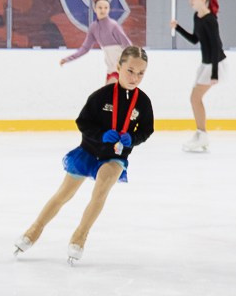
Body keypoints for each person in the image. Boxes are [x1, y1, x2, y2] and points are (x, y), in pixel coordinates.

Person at [15, 45, 155, 266]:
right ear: (118, 66)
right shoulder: (101, 96)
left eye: (141, 73)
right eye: (130, 71)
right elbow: (83, 122)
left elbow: (147, 130)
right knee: (63, 194)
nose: (135, 77)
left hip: (115, 157)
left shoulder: (143, 102)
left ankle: (80, 236)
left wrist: (133, 138)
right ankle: (34, 230)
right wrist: (101, 135)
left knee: (100, 193)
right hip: (89, 151)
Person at [172, 0, 225, 152]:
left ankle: (202, 134)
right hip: (206, 64)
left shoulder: (211, 20)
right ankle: (201, 133)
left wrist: (214, 74)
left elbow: (216, 47)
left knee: (195, 98)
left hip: (215, 64)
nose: (190, 1)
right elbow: (195, 39)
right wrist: (178, 27)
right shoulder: (197, 17)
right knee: (195, 98)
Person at [61, 0, 132, 81]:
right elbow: (85, 48)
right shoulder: (93, 27)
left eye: (106, 8)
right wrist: (68, 59)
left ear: (109, 9)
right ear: (95, 9)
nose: (103, 10)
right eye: (100, 7)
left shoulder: (114, 25)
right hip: (110, 69)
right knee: (108, 89)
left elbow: (127, 45)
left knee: (110, 88)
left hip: (121, 68)